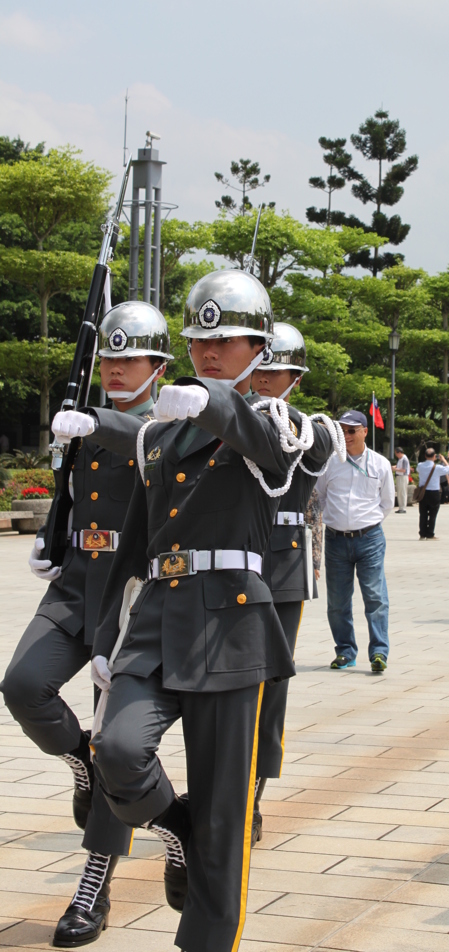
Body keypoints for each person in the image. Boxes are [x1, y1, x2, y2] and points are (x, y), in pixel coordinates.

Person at [72, 270, 331, 952]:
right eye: (200, 342)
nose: (210, 352)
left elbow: (274, 456)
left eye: (227, 341)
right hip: (157, 620)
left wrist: (213, 399)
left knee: (224, 813)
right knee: (118, 751)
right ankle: (174, 832)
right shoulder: (156, 437)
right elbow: (132, 544)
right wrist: (105, 635)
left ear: (258, 349)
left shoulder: (270, 421)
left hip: (230, 624)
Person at [0, 302, 172, 948]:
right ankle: (79, 760)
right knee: (22, 685)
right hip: (75, 585)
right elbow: (75, 486)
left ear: (157, 367)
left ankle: (93, 885)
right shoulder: (84, 414)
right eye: (109, 357)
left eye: (129, 359)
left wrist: (92, 419)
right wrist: (56, 531)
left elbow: (134, 439)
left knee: (113, 738)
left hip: (125, 598)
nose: (116, 368)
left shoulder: (162, 423)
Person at [250, 323, 343, 847]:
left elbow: (302, 454)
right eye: (257, 368)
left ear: (296, 380)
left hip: (279, 574)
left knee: (268, 690)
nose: (263, 379)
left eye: (275, 371)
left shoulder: (309, 429)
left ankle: (252, 794)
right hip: (220, 568)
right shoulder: (217, 417)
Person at [316, 410, 394, 672]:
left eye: (351, 430)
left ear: (364, 432)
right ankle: (345, 652)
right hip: (336, 540)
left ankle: (379, 652)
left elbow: (387, 503)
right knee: (337, 601)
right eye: (341, 430)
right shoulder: (329, 463)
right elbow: (321, 498)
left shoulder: (380, 464)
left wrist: (364, 522)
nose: (346, 436)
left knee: (375, 597)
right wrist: (338, 521)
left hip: (369, 538)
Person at [415, 448, 449, 539]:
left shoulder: (420, 465)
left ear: (425, 456)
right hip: (434, 493)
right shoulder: (437, 467)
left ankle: (422, 534)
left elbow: (418, 470)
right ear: (435, 456)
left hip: (423, 493)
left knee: (423, 513)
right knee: (433, 514)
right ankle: (430, 534)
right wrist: (443, 460)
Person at [393, 446, 410, 513]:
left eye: (396, 454)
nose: (396, 455)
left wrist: (395, 469)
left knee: (402, 492)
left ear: (399, 452)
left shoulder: (404, 459)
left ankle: (403, 508)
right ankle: (400, 507)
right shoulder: (400, 459)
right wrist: (394, 467)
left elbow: (404, 470)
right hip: (399, 476)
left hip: (403, 477)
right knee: (399, 492)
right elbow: (399, 466)